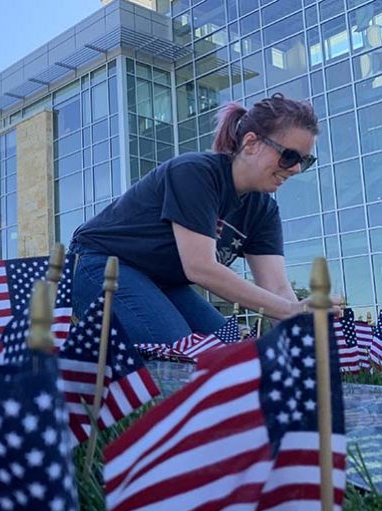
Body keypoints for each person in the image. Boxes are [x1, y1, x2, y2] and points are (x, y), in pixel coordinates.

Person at [68, 93, 337, 344]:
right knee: (179, 346)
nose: (295, 168)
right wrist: (291, 310)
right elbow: (200, 268)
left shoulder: (263, 210)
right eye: (289, 156)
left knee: (228, 349)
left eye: (305, 160)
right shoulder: (195, 173)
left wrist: (305, 339)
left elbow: (278, 289)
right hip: (99, 263)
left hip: (163, 281)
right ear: (251, 143)